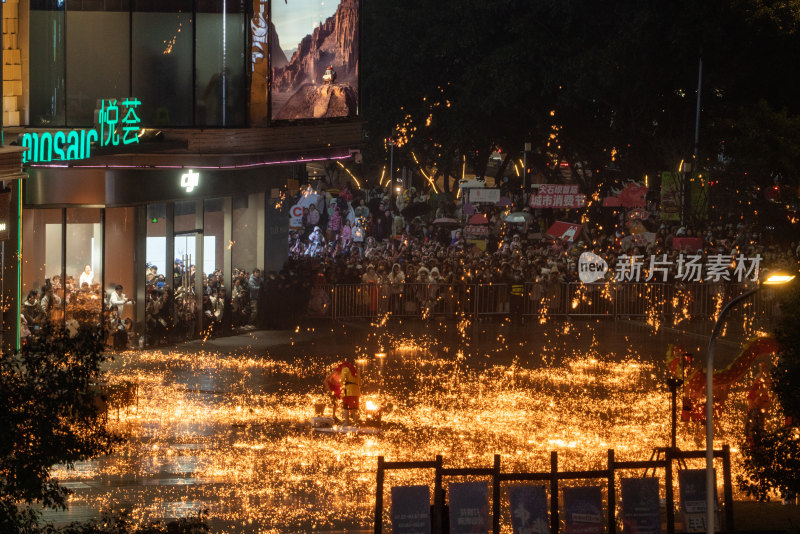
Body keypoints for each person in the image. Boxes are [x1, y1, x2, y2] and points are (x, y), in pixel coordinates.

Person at [323, 359, 362, 425]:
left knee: (346, 405)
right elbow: (326, 381)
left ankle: (349, 421)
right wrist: (330, 391)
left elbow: (342, 381)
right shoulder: (353, 371)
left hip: (343, 389)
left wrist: (342, 386)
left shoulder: (345, 370)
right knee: (350, 405)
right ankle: (335, 417)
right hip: (338, 388)